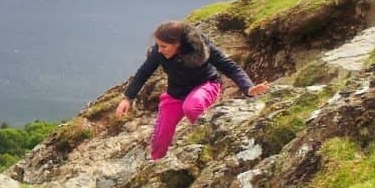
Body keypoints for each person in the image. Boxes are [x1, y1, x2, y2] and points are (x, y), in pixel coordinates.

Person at [115, 20, 269, 160]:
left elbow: (229, 66)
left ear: (178, 44)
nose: (159, 50)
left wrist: (248, 88)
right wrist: (127, 98)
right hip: (176, 93)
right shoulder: (159, 51)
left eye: (164, 46)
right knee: (159, 140)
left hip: (206, 85)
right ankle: (157, 165)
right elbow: (144, 72)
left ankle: (206, 143)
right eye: (158, 45)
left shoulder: (202, 46)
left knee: (192, 106)